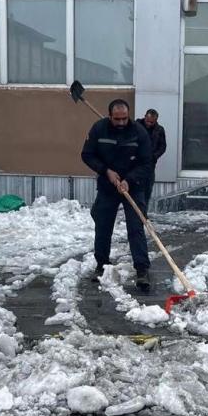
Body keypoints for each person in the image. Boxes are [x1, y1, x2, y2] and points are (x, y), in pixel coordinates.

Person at [82, 99, 153, 291]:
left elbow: (147, 162)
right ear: (109, 116)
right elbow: (87, 155)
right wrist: (106, 171)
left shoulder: (139, 132)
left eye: (124, 118)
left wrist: (129, 180)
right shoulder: (99, 129)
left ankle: (142, 270)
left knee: (136, 227)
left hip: (133, 187)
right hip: (108, 185)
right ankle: (102, 265)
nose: (121, 122)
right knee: (103, 226)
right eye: (117, 119)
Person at [135, 108, 167, 207]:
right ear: (144, 117)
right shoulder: (136, 126)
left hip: (149, 164)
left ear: (156, 120)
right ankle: (135, 209)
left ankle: (143, 211)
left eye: (152, 122)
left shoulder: (159, 130)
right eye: (147, 121)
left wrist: (154, 156)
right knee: (135, 189)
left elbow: (162, 146)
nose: (149, 124)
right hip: (135, 163)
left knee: (147, 190)